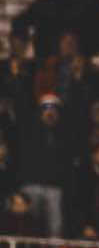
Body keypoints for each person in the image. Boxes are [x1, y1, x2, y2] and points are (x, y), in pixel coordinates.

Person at [18, 95, 77, 239]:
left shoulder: (66, 137)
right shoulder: (28, 134)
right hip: (31, 185)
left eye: (54, 109)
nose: (50, 112)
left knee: (55, 227)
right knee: (29, 226)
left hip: (54, 188)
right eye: (46, 108)